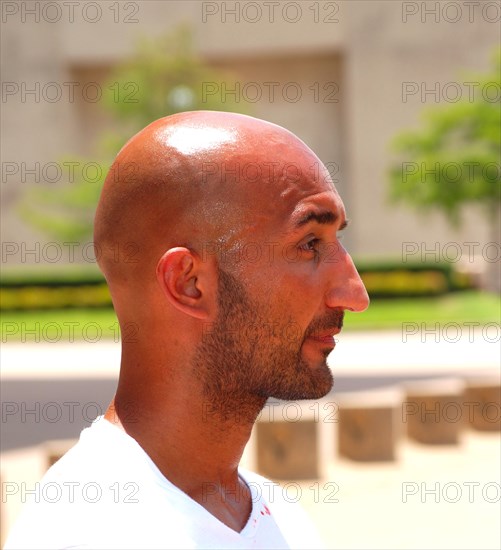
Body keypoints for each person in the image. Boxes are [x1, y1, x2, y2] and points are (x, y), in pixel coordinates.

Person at [4, 111, 369, 549]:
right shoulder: (89, 530)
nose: (355, 294)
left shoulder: (277, 513)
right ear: (188, 283)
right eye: (310, 244)